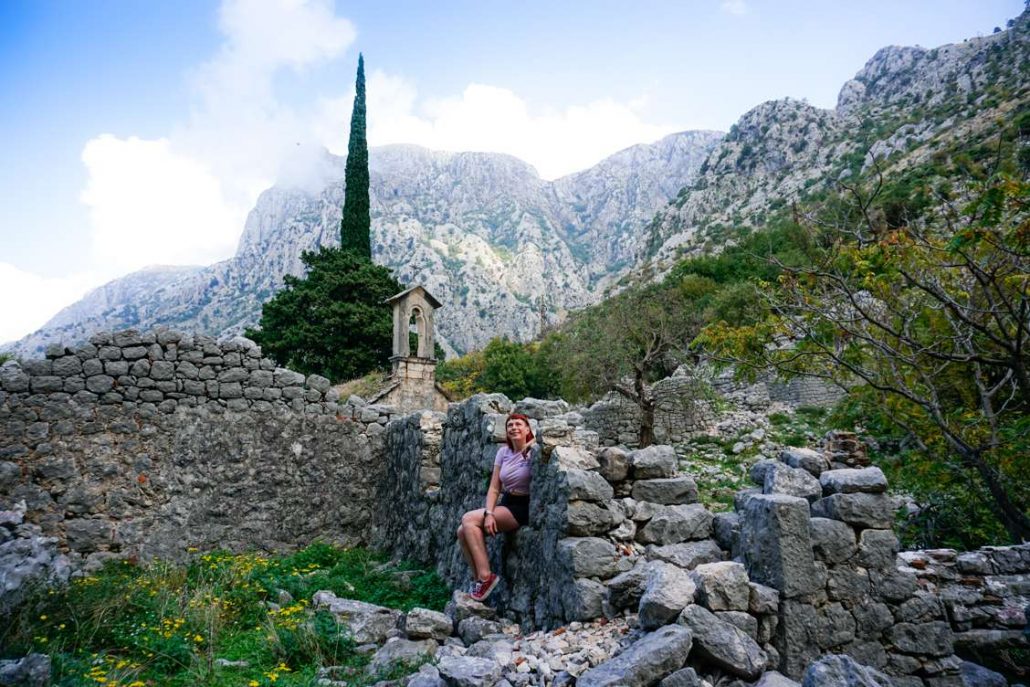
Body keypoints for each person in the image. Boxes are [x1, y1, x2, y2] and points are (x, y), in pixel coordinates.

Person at [456, 413, 534, 601]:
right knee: (462, 531)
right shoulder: (503, 452)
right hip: (506, 501)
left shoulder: (533, 451)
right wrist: (489, 513)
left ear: (528, 429)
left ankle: (486, 577)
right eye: (510, 425)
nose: (514, 427)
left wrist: (533, 442)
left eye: (519, 424)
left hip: (522, 506)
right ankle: (479, 582)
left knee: (468, 519)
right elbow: (494, 487)